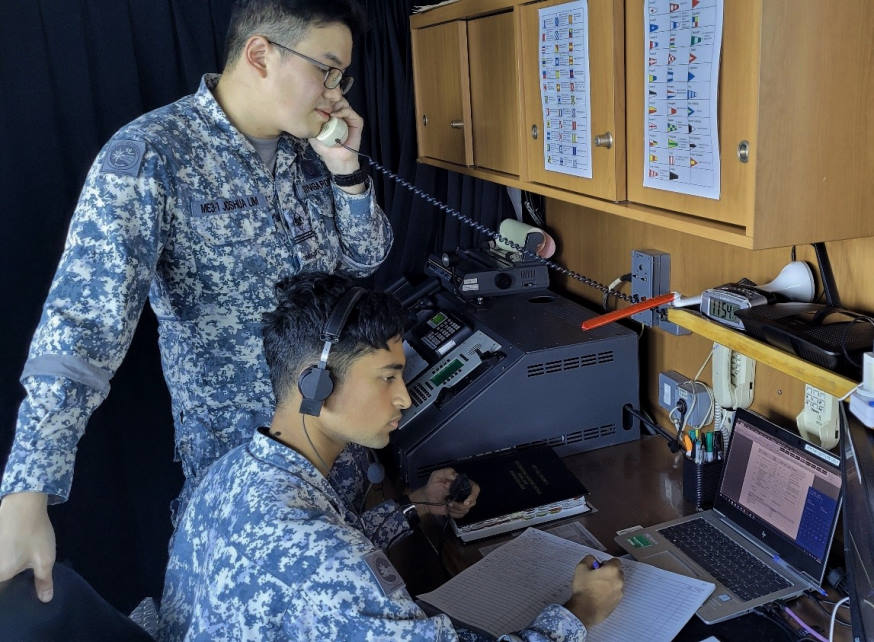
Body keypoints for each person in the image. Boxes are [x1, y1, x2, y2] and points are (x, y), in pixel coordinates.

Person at [0, 0, 438, 604]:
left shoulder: (306, 151)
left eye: (343, 77)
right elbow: (83, 322)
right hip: (238, 470)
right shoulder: (153, 154)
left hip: (334, 446)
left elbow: (362, 263)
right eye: (328, 70)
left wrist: (345, 172)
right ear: (261, 54)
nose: (337, 93)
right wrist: (29, 487)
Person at [158, 272, 623, 641]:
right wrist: (580, 611)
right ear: (315, 383)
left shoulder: (232, 472)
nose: (404, 398)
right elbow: (324, 560)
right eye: (387, 378)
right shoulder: (321, 555)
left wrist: (413, 506)